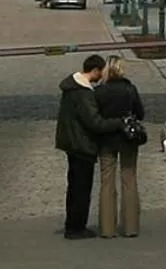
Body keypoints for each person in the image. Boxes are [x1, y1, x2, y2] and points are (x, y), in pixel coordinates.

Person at [57, 54, 123, 239]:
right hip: (81, 144)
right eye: (101, 72)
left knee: (74, 186)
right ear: (95, 70)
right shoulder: (83, 93)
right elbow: (95, 122)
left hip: (71, 142)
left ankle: (72, 224)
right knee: (81, 188)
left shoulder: (72, 88)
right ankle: (76, 227)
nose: (102, 77)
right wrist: (118, 123)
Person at [94, 55, 145, 238]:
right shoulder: (130, 89)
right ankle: (131, 226)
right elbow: (140, 113)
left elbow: (95, 116)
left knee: (106, 182)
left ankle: (107, 228)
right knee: (129, 179)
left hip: (106, 139)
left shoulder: (99, 91)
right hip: (127, 139)